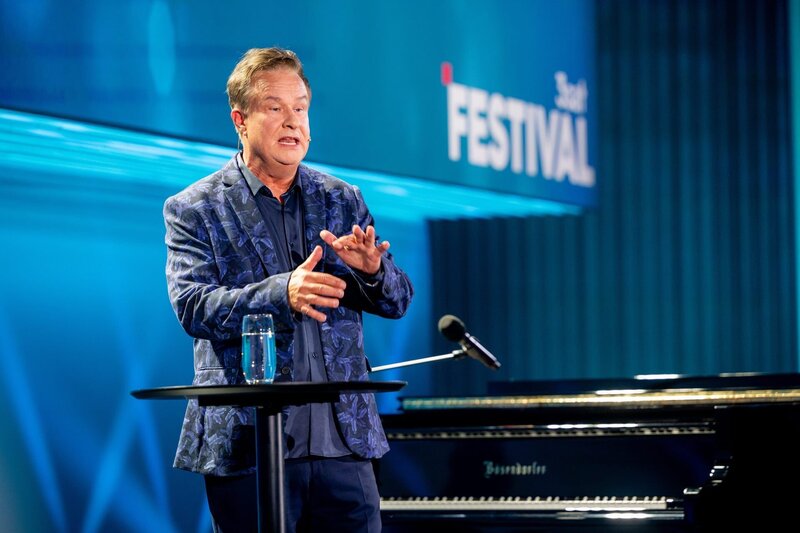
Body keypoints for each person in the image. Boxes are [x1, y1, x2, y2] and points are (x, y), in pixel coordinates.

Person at [162, 47, 414, 532]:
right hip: (250, 446)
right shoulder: (195, 208)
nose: (292, 121)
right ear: (240, 120)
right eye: (275, 107)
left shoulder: (342, 199)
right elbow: (193, 306)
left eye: (300, 108)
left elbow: (399, 299)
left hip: (344, 444)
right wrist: (283, 293)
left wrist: (373, 272)